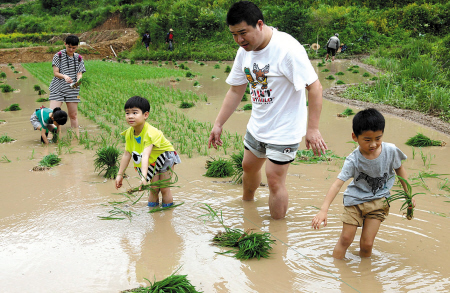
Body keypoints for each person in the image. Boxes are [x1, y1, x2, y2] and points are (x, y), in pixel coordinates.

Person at [208, 1, 327, 220]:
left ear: (259, 24)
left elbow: (315, 87)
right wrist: (218, 123)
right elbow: (236, 90)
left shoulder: (288, 49)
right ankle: (247, 207)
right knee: (248, 167)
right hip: (258, 124)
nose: (239, 40)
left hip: (284, 129)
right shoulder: (244, 51)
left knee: (274, 179)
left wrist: (312, 129)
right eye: (234, 34)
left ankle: (276, 231)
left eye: (243, 33)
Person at [311, 108, 413, 259]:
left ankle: (365, 275)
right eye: (367, 140)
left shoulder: (391, 151)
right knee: (346, 239)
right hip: (354, 202)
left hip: (379, 202)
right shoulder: (353, 160)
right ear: (355, 137)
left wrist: (408, 195)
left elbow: (400, 170)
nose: (373, 144)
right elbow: (337, 184)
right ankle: (337, 272)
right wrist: (323, 210)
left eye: (378, 138)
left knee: (367, 244)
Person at [115, 96, 181, 208]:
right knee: (153, 188)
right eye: (127, 113)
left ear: (145, 115)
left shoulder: (150, 133)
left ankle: (167, 214)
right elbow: (127, 154)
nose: (130, 116)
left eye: (135, 113)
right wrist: (120, 174)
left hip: (165, 157)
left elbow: (145, 155)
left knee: (164, 188)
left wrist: (144, 177)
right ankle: (153, 213)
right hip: (152, 160)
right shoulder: (129, 133)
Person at [48, 35, 86, 138]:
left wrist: (79, 80)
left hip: (72, 90)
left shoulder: (78, 58)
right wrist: (64, 76)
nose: (71, 49)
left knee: (73, 115)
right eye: (69, 47)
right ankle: (52, 138)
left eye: (74, 48)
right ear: (65, 44)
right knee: (52, 115)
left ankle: (75, 137)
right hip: (58, 89)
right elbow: (56, 73)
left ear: (77, 47)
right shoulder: (58, 56)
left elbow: (79, 73)